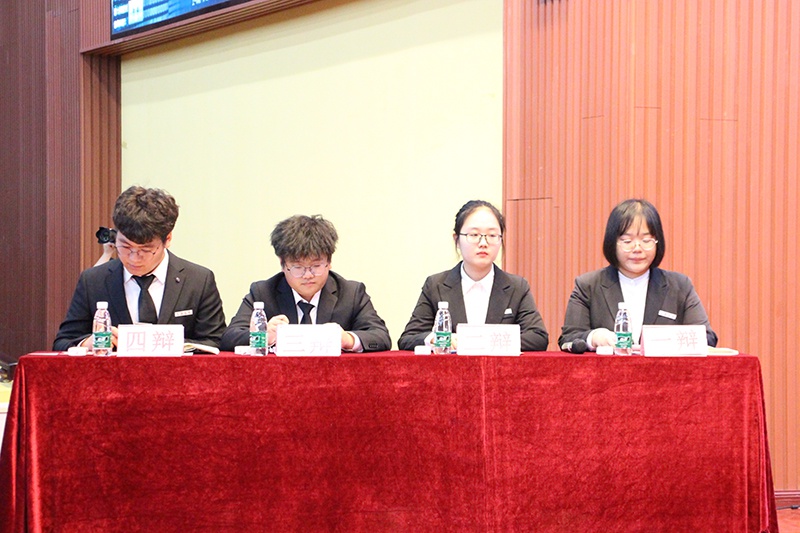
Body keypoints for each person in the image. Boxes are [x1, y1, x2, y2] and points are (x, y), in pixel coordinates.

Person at [53, 186, 227, 351]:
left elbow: (216, 342)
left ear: (167, 239)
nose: (134, 258)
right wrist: (87, 343)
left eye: (146, 250)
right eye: (125, 247)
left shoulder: (198, 280)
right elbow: (63, 342)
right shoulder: (93, 281)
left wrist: (167, 345)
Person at [559, 198, 718, 351]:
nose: (637, 248)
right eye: (627, 241)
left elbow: (707, 338)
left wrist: (665, 340)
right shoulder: (588, 286)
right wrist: (593, 337)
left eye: (646, 240)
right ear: (612, 243)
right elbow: (568, 338)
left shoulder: (680, 286)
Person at [220, 215, 391, 352]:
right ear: (283, 265)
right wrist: (264, 336)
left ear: (329, 262)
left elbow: (381, 337)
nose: (308, 275)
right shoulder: (263, 292)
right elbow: (229, 337)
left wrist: (347, 339)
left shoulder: (351, 292)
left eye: (316, 266)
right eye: (298, 267)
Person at [398, 200, 549, 352]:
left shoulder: (517, 287)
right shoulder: (436, 285)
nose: (483, 243)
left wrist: (478, 341)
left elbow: (538, 337)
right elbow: (408, 338)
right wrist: (438, 338)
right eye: (474, 235)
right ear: (457, 240)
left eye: (492, 235)